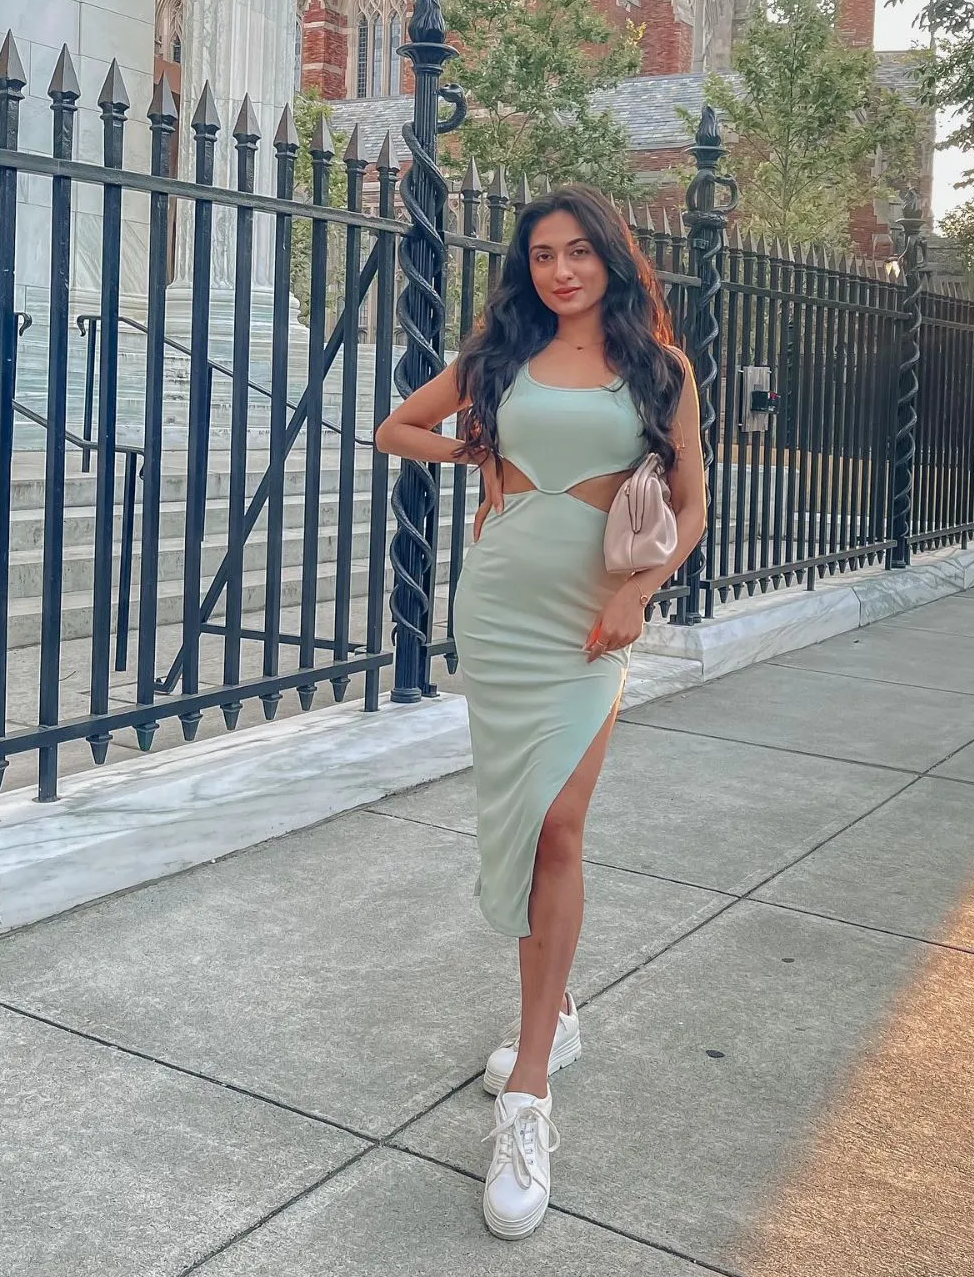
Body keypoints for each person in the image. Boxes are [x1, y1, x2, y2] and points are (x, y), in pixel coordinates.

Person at [375, 185, 706, 1239]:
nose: (561, 271)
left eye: (578, 253)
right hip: (502, 605)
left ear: (611, 257)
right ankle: (550, 1017)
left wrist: (639, 590)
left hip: (590, 623)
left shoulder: (661, 369)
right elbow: (395, 428)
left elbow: (691, 503)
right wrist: (475, 456)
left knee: (560, 823)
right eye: (543, 255)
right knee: (525, 826)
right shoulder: (500, 356)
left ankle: (528, 1096)